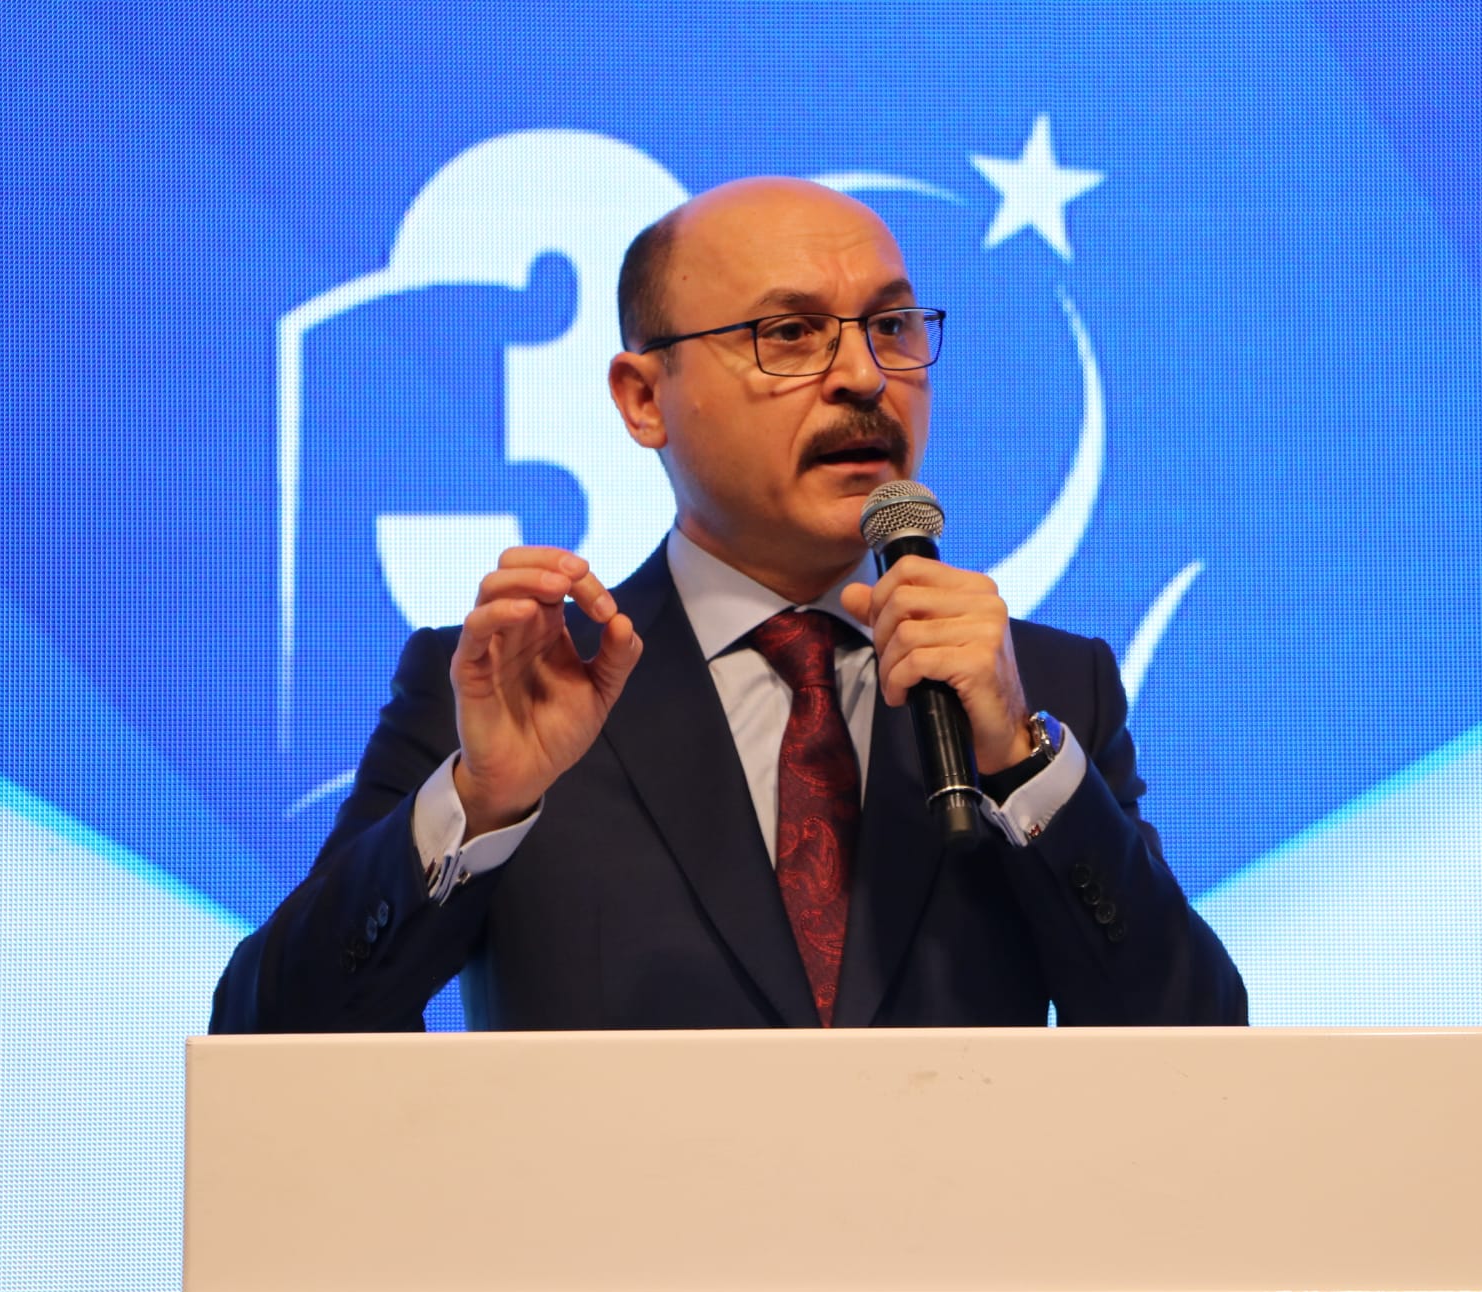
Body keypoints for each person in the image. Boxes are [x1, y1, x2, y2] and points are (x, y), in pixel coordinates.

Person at [211, 177, 1244, 1032]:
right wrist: (481, 804)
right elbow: (273, 1037)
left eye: (892, 326)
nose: (864, 376)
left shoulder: (1044, 692)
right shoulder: (516, 690)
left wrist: (1020, 762)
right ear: (642, 398)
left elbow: (1197, 1052)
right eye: (790, 334)